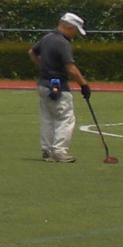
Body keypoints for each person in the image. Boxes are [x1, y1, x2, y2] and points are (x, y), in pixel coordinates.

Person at [31, 12, 91, 164]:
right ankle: (59, 151)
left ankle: (47, 150)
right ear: (68, 26)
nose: (75, 34)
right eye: (75, 30)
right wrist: (84, 85)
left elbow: (32, 52)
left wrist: (43, 67)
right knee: (65, 118)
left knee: (47, 118)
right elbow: (71, 68)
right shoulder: (63, 42)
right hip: (58, 86)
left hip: (43, 84)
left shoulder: (47, 38)